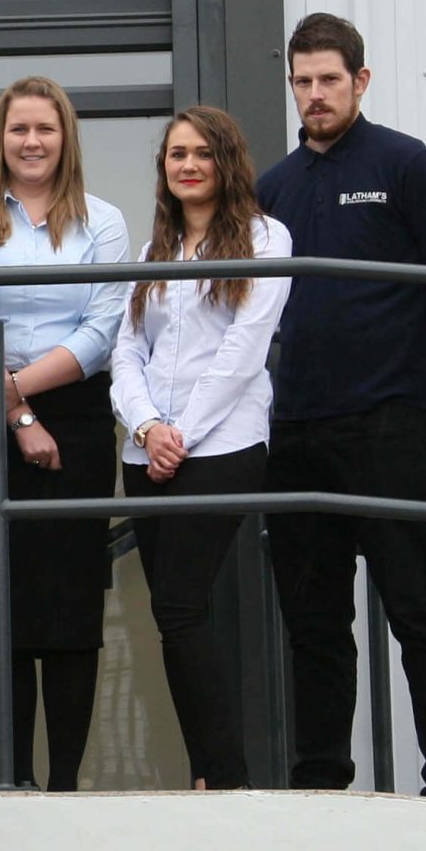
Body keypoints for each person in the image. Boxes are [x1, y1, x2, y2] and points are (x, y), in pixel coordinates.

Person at [256, 12, 426, 797]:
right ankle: (320, 779)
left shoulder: (406, 165)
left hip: (390, 426)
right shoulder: (272, 188)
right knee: (314, 624)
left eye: (329, 80)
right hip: (297, 432)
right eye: (303, 81)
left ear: (361, 80)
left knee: (418, 608)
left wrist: (418, 390)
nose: (315, 95)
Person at [110, 107, 292, 791]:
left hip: (223, 446)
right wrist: (147, 426)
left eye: (202, 153)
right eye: (175, 153)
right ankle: (207, 771)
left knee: (182, 605)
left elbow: (245, 349)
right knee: (172, 614)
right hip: (148, 452)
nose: (187, 164)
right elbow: (127, 349)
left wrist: (180, 431)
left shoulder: (266, 237)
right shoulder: (156, 250)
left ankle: (223, 775)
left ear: (227, 160)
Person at [0, 77, 127, 792]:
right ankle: (11, 774)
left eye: (45, 129)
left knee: (70, 601)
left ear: (67, 137)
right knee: (0, 601)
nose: (32, 142)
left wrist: (20, 393)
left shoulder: (104, 222)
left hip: (78, 419)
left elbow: (102, 329)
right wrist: (12, 412)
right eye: (19, 128)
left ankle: (63, 783)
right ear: (0, 137)